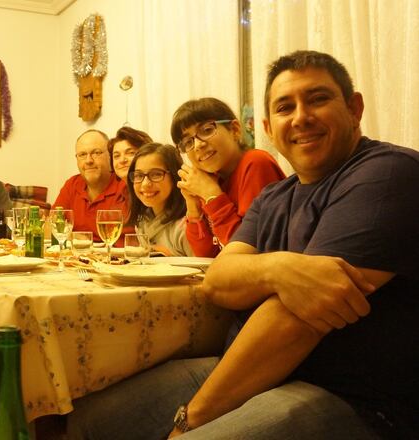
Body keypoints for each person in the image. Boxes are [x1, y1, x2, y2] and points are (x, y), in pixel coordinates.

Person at [67, 50, 418, 439]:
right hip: (249, 364)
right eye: (286, 107)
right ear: (268, 125)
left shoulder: (386, 174)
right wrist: (279, 268)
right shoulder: (275, 197)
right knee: (91, 417)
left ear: (354, 108)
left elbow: (296, 321)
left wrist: (191, 419)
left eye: (318, 98)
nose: (301, 116)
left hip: (354, 397)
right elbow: (218, 280)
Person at [172, 98, 285, 257]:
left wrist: (213, 196)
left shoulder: (255, 163)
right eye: (187, 142)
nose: (198, 145)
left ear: (235, 129)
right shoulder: (211, 178)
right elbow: (206, 256)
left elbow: (249, 253)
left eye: (206, 130)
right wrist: (193, 207)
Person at [54, 129, 134, 245]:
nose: (88, 161)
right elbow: (49, 226)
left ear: (110, 156)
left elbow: (130, 243)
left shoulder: (124, 185)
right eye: (82, 155)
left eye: (96, 153)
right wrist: (71, 236)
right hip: (78, 259)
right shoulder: (72, 184)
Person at [125, 143, 193, 256]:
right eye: (138, 175)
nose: (145, 183)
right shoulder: (142, 221)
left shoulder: (186, 226)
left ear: (175, 176)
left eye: (156, 174)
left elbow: (205, 270)